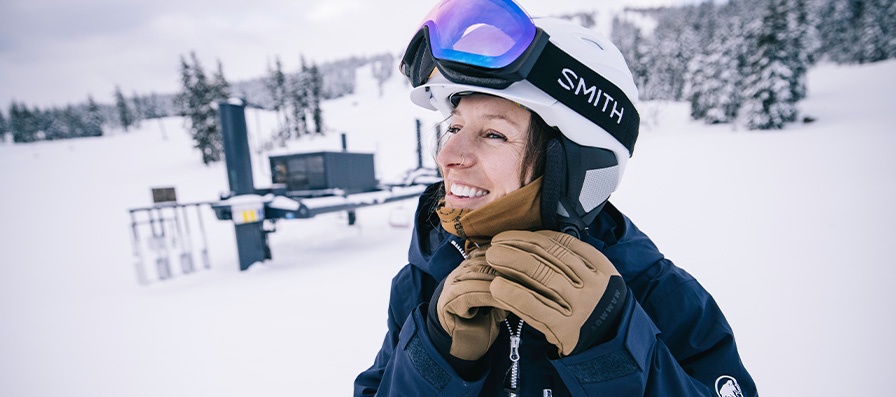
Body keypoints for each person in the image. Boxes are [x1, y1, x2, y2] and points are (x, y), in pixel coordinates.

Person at [354, 0, 757, 395]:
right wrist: (432, 359)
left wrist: (615, 350)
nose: (448, 156)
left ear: (574, 163)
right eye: (454, 128)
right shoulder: (423, 282)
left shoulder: (660, 296)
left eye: (493, 134)